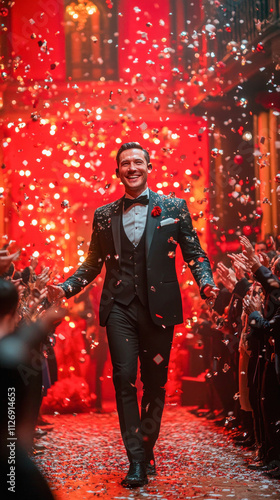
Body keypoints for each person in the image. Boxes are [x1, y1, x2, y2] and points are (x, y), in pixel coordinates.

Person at [48, 142, 217, 487]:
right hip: (120, 308)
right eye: (125, 163)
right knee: (123, 376)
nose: (132, 167)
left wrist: (206, 284)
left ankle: (146, 447)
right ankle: (136, 460)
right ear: (118, 171)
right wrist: (66, 287)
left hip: (161, 311)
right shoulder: (104, 215)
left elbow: (195, 254)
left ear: (148, 166)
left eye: (137, 161)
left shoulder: (174, 208)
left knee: (154, 384)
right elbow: (93, 263)